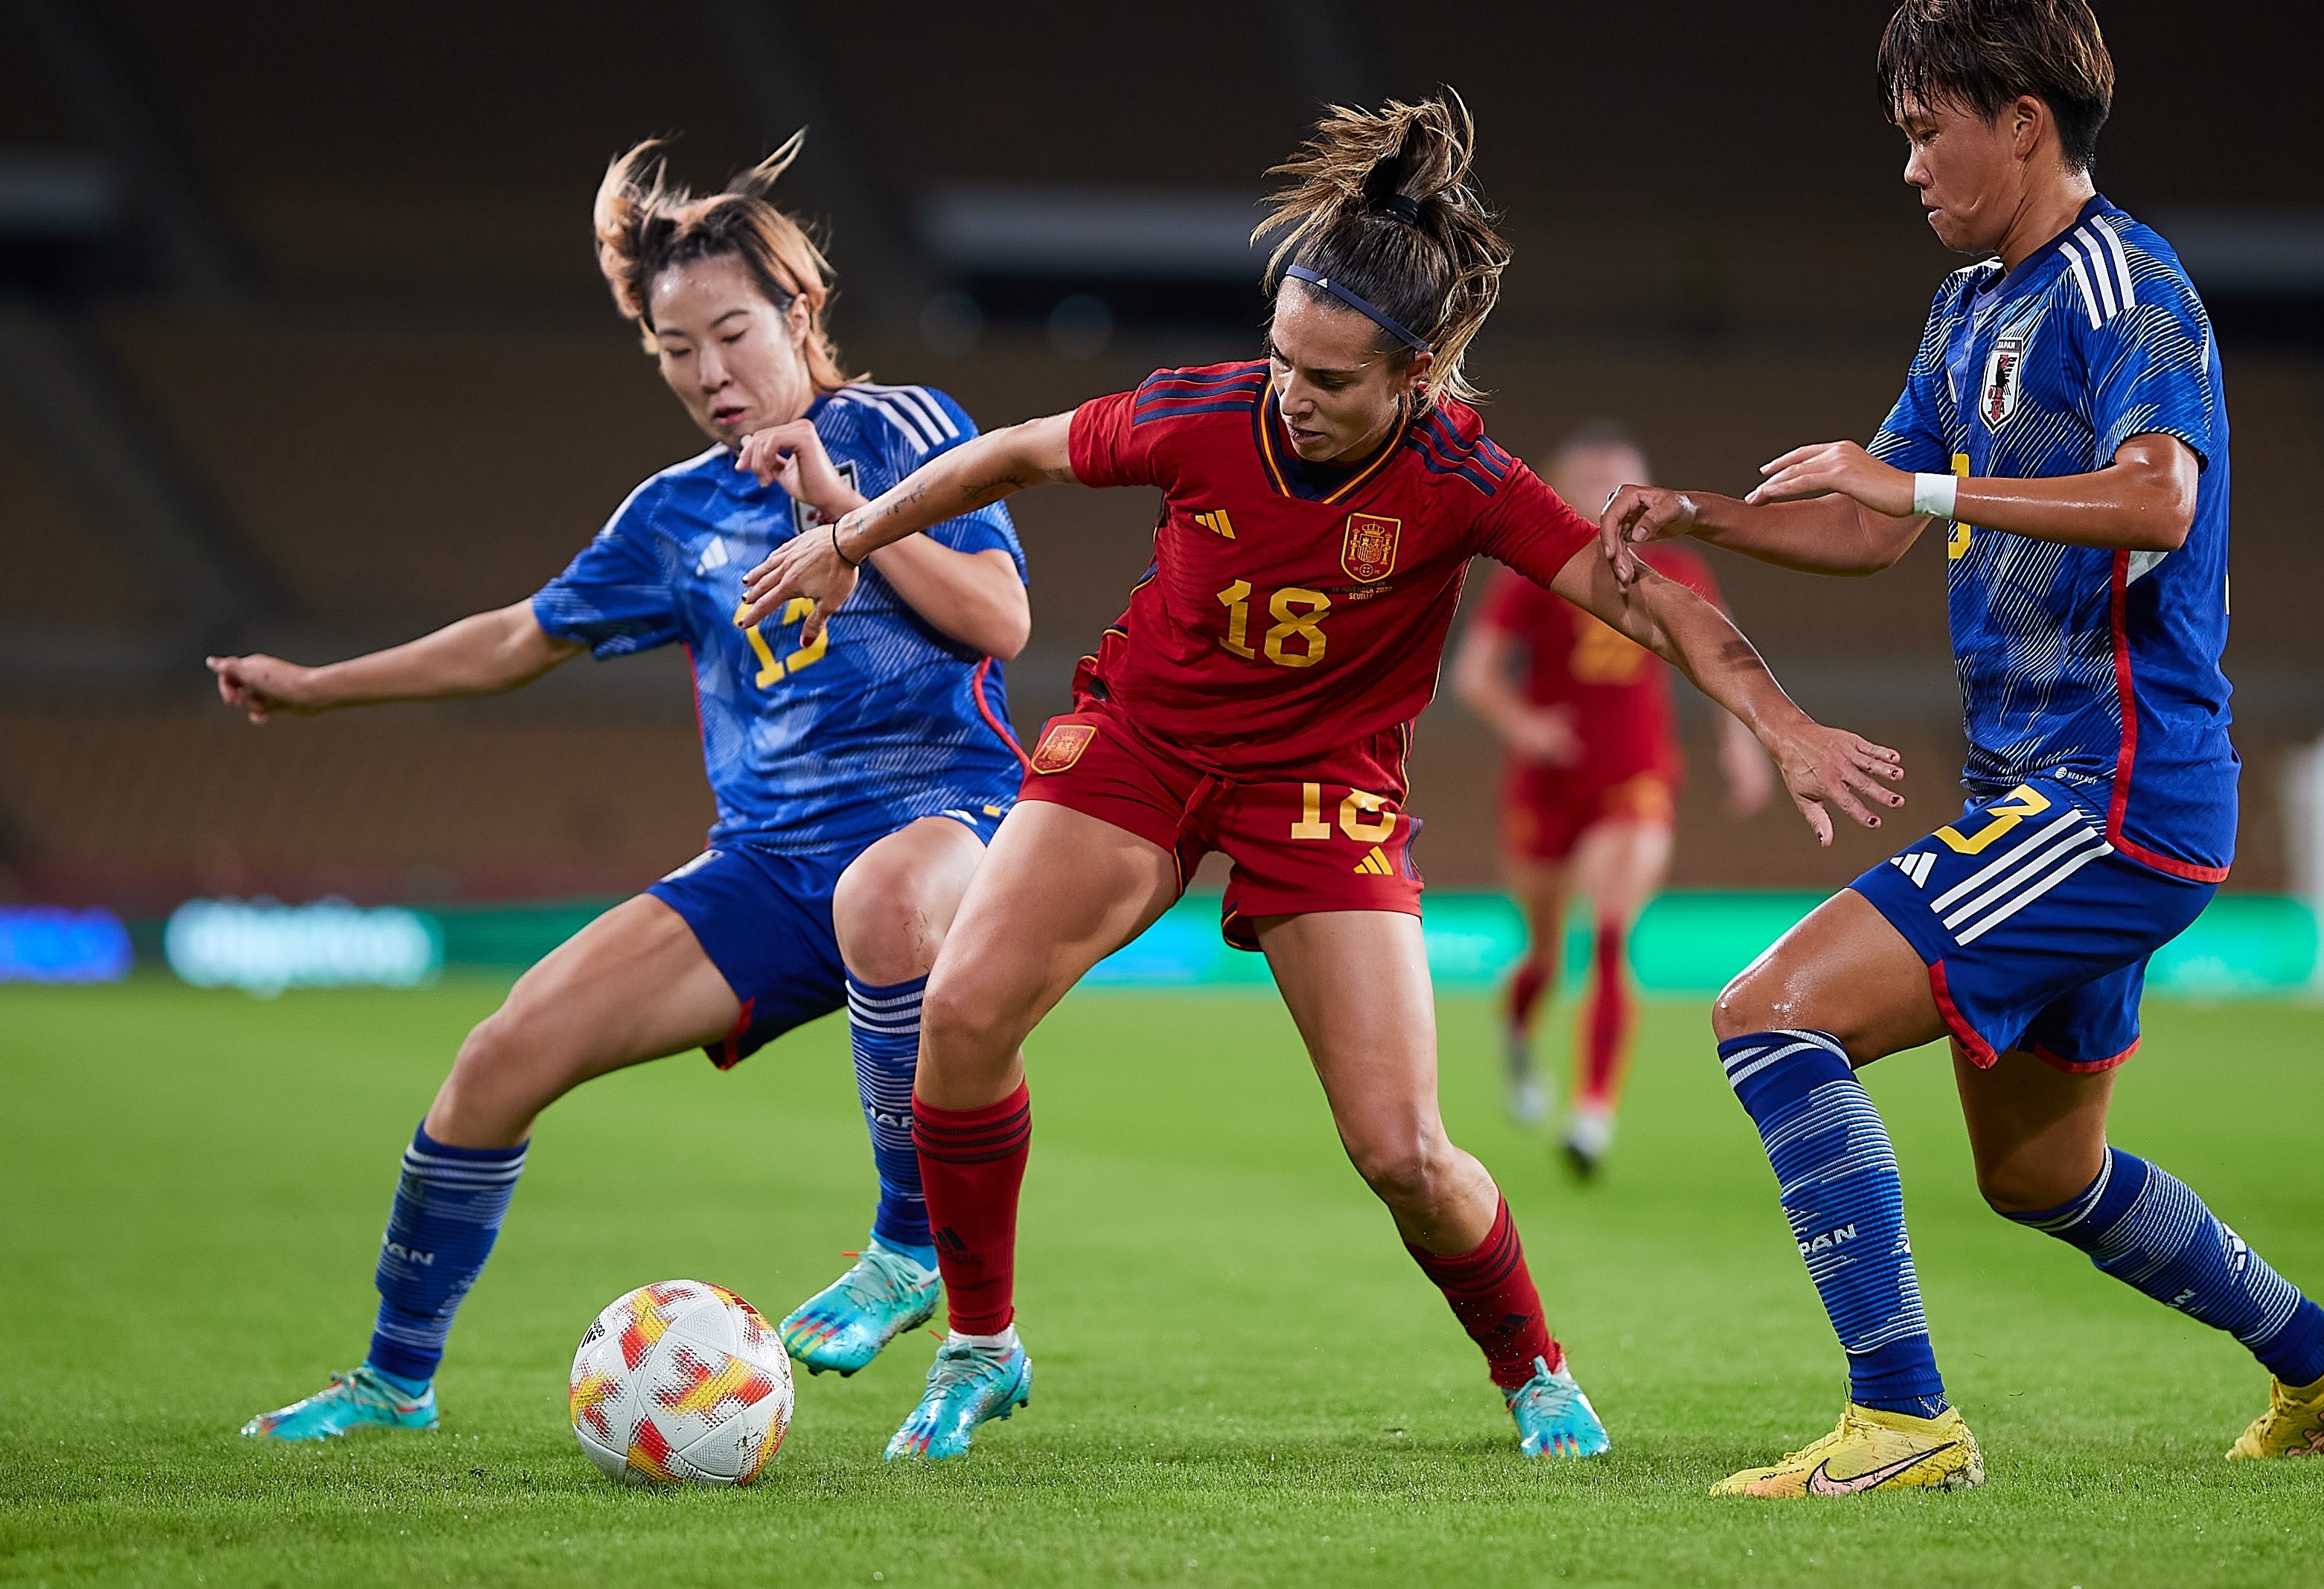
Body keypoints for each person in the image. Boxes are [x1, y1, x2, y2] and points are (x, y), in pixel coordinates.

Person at [737, 95, 1907, 1463]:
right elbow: (1013, 452)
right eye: (1283, 355)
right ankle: (982, 1344)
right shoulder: (1202, 412)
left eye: (1331, 376)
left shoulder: (1464, 478)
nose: (1291, 388)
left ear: (1415, 375)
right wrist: (852, 535)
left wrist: (1776, 717)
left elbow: (1646, 605)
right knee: (965, 1010)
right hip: (1143, 741)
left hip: (1322, 785)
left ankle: (1533, 1367)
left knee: (1402, 1149)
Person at [1603, 0, 2324, 1498]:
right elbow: (1867, 525)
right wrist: (1695, 512)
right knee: (2036, 1166)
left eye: (1926, 129)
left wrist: (1904, 481)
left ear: (2021, 122)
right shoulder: (1968, 300)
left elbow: (2157, 500)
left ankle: (1901, 1417)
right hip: (2051, 792)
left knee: (1767, 1012)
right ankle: (2321, 1354)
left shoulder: (2124, 282)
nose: (1907, 165)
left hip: (2108, 795)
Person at [217, 137, 1032, 1440]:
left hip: (953, 821)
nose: (709, 372)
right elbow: (513, 639)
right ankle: (391, 1380)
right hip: (768, 865)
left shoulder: (903, 428)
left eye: (731, 332)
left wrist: (845, 515)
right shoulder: (675, 514)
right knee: (498, 1058)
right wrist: (320, 686)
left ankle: (905, 1245)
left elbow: (1000, 620)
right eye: (674, 348)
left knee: (887, 895)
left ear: (800, 313)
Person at [1452, 422, 1772, 1176]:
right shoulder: (1532, 572)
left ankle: (1592, 1112)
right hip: (1547, 786)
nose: (1610, 494)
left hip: (1636, 779)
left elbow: (1722, 660)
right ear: (1561, 490)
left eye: (1623, 481)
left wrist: (1742, 744)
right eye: (1592, 479)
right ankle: (1521, 1036)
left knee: (1607, 935)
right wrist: (1525, 724)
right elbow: (1475, 675)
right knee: (1541, 953)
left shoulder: (1680, 568)